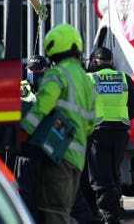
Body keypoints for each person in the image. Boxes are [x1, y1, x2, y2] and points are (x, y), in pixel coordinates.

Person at [21, 23, 96, 224]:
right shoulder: (85, 80)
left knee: (54, 213)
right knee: (67, 210)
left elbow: (40, 108)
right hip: (78, 159)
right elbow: (90, 124)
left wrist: (23, 130)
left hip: (57, 155)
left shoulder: (57, 75)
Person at [86, 46, 134, 224]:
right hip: (119, 134)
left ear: (94, 61)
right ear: (111, 61)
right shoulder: (123, 78)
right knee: (113, 175)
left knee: (101, 179)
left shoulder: (89, 79)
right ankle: (114, 213)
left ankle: (109, 218)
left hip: (97, 133)